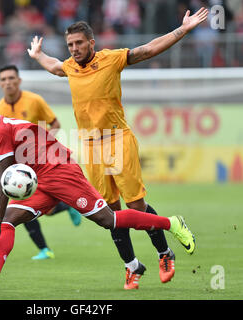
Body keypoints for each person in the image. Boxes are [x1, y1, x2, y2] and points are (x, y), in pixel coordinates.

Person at [27, 7, 208, 289]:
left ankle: (164, 252)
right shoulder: (70, 67)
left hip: (117, 139)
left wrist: (182, 30)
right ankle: (132, 266)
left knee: (135, 205)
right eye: (70, 45)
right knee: (109, 213)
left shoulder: (111, 59)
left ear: (91, 43)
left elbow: (147, 50)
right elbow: (54, 66)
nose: (74, 49)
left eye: (79, 43)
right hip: (90, 145)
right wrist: (38, 55)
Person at [0, 101, 195, 290]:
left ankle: (172, 223)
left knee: (108, 220)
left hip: (58, 170)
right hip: (39, 178)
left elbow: (3, 183)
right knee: (7, 220)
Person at [0, 64, 82, 260]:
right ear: (0, 84)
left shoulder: (34, 101)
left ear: (19, 81)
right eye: (4, 79)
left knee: (34, 205)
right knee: (21, 203)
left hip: (41, 161)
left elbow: (55, 124)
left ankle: (70, 207)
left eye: (11, 78)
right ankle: (45, 247)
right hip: (19, 166)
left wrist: (42, 145)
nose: (8, 82)